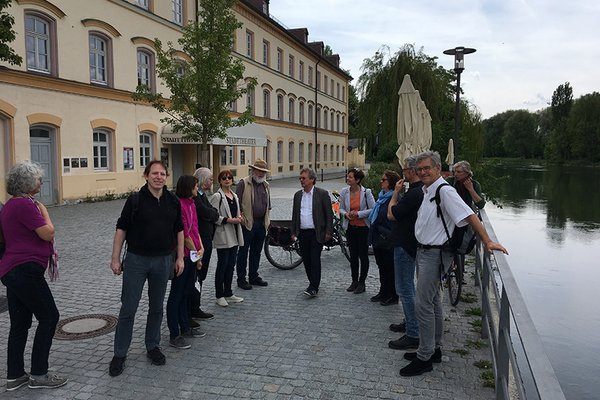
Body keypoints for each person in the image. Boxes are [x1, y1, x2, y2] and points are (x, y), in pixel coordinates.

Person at [400, 151, 508, 377]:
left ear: (438, 168)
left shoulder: (445, 191)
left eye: (427, 168)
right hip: (425, 252)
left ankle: (424, 357)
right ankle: (434, 349)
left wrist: (487, 241)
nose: (423, 172)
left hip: (434, 254)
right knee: (434, 302)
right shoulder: (427, 190)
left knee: (422, 305)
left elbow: (471, 215)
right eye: (419, 169)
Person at [108, 160, 184, 377]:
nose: (158, 177)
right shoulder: (135, 200)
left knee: (156, 308)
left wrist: (180, 258)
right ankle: (120, 354)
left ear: (166, 176)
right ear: (146, 176)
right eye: (154, 173)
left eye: (162, 173)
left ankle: (152, 346)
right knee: (128, 308)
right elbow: (121, 229)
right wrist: (115, 259)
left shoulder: (173, 201)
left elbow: (179, 230)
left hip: (162, 261)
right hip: (136, 260)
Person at [0, 161, 67, 390]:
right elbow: (47, 233)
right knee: (49, 317)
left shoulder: (12, 205)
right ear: (27, 183)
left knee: (20, 323)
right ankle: (39, 374)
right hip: (24, 270)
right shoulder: (26, 206)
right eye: (38, 178)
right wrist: (46, 212)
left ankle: (15, 376)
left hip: (13, 270)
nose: (41, 182)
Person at [386, 156, 423, 351]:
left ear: (412, 170)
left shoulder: (414, 194)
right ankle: (410, 323)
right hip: (409, 243)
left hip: (405, 245)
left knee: (405, 289)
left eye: (404, 169)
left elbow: (391, 214)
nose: (403, 172)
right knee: (407, 288)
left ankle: (413, 333)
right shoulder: (419, 192)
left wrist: (395, 193)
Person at [166, 175, 205, 350]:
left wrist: (200, 250)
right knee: (177, 294)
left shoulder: (192, 204)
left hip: (193, 254)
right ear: (188, 187)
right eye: (195, 186)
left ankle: (185, 326)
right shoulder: (179, 204)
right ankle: (174, 333)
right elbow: (184, 233)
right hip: (183, 255)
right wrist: (196, 251)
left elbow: (196, 229)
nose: (198, 189)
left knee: (186, 292)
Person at [291, 168, 334, 297]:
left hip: (317, 232)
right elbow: (295, 215)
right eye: (300, 178)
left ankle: (314, 286)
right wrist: (293, 232)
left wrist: (328, 232)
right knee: (306, 259)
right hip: (302, 232)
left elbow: (329, 215)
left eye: (303, 178)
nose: (301, 180)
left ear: (312, 179)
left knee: (315, 259)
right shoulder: (298, 195)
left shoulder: (322, 194)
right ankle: (312, 283)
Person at [210, 169, 245, 307]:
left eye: (229, 177)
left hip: (235, 234)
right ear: (220, 181)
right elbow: (213, 217)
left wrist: (239, 217)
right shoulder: (217, 196)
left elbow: (237, 212)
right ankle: (219, 295)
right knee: (222, 265)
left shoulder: (234, 195)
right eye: (224, 178)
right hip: (224, 234)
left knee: (231, 265)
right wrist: (229, 220)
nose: (227, 180)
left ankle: (228, 293)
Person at [235, 159, 271, 290]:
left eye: (263, 171)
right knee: (243, 252)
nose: (260, 174)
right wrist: (242, 217)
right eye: (259, 171)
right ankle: (241, 279)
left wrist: (268, 221)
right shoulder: (243, 183)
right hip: (248, 223)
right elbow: (236, 202)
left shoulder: (265, 185)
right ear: (253, 170)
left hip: (261, 224)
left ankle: (253, 276)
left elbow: (268, 205)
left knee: (256, 252)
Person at [189, 167, 219, 321]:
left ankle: (196, 305)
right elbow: (207, 212)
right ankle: (193, 307)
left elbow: (212, 211)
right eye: (210, 179)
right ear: (202, 180)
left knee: (201, 275)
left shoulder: (202, 195)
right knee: (197, 274)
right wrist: (212, 214)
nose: (211, 182)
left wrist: (212, 213)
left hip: (207, 238)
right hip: (200, 240)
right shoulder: (196, 197)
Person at [339, 168, 375, 294]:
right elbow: (341, 208)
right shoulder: (344, 192)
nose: (348, 179)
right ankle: (354, 280)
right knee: (353, 255)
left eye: (350, 177)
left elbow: (373, 209)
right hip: (350, 228)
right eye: (347, 177)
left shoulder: (366, 192)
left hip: (363, 228)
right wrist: (346, 214)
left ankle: (362, 282)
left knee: (363, 255)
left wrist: (358, 214)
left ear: (357, 180)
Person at [368, 170, 400, 305]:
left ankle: (392, 295)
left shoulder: (394, 198)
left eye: (384, 180)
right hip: (378, 237)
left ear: (390, 183)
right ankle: (383, 291)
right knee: (381, 266)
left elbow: (393, 219)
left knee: (389, 268)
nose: (381, 182)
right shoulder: (382, 196)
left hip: (388, 238)